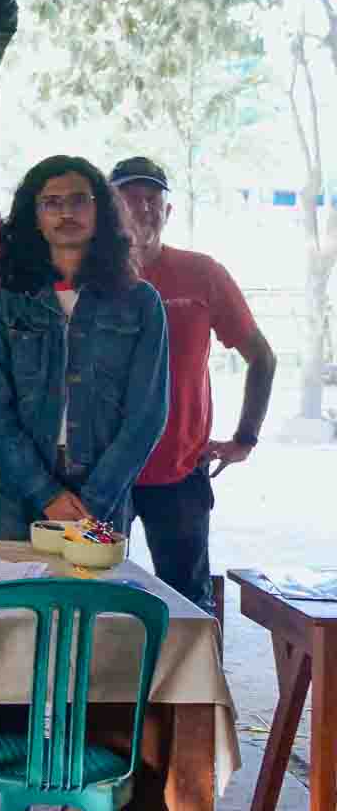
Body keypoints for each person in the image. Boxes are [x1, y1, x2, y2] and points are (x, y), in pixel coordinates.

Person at [0, 155, 169, 540]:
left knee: (97, 599)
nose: (66, 213)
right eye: (51, 203)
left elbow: (147, 415)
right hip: (22, 495)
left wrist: (92, 502)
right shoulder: (9, 302)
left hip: (103, 498)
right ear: (35, 216)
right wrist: (47, 494)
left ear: (102, 210)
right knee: (18, 599)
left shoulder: (140, 302)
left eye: (79, 200)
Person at [113, 156, 272, 611]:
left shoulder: (202, 273)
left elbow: (261, 356)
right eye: (129, 198)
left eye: (152, 199)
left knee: (188, 600)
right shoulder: (83, 276)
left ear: (167, 212)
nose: (141, 208)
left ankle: (192, 684)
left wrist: (245, 437)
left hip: (180, 469)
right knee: (93, 590)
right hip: (103, 472)